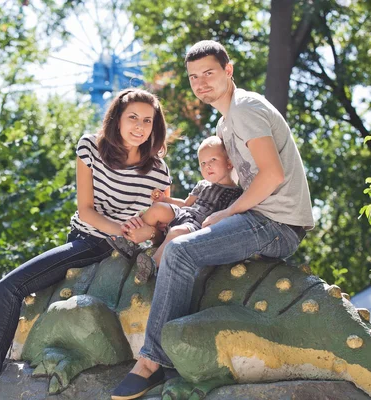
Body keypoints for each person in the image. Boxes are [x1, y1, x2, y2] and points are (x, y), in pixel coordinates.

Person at [0, 88, 172, 400]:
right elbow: (86, 209)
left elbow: (163, 224)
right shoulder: (91, 147)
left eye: (147, 120)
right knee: (9, 286)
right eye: (133, 118)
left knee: (10, 286)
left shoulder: (158, 171)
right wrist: (120, 228)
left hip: (119, 249)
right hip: (86, 238)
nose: (140, 126)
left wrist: (142, 232)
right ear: (116, 119)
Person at [111, 40, 314, 400]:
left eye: (209, 73)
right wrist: (187, 206)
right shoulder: (224, 125)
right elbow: (234, 180)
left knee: (181, 252)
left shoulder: (246, 109)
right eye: (194, 77)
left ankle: (151, 363)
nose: (201, 83)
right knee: (179, 235)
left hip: (276, 225)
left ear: (228, 71)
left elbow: (271, 175)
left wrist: (225, 213)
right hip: (256, 215)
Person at [107, 136, 242, 283]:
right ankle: (130, 240)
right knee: (157, 208)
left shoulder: (236, 194)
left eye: (213, 160)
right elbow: (185, 204)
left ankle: (152, 264)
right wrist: (165, 200)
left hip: (198, 226)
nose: (207, 166)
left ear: (229, 163)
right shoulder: (202, 184)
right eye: (202, 163)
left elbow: (230, 219)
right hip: (185, 214)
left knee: (176, 232)